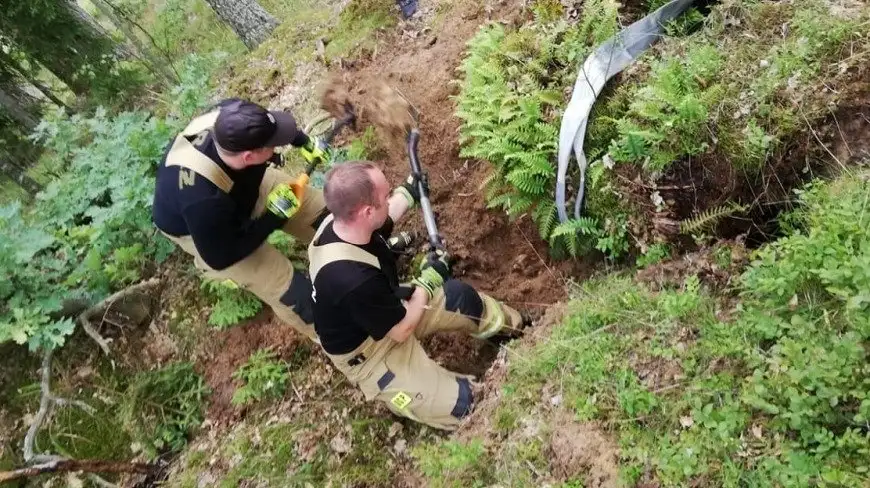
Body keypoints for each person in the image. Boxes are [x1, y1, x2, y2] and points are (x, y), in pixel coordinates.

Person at [307, 162, 527, 430]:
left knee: (461, 299)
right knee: (465, 405)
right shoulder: (351, 279)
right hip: (372, 354)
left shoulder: (340, 222)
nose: (390, 200)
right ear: (365, 211)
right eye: (386, 197)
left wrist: (408, 192)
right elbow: (401, 331)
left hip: (383, 306)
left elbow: (381, 222)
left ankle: (520, 332)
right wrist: (428, 281)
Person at [152, 98, 330, 341]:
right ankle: (335, 335)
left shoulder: (231, 117)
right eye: (273, 145)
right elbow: (221, 257)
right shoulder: (202, 201)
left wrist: (303, 140)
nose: (278, 147)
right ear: (249, 156)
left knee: (325, 215)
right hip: (213, 237)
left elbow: (268, 127)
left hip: (243, 183)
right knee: (290, 291)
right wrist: (273, 218)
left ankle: (367, 250)